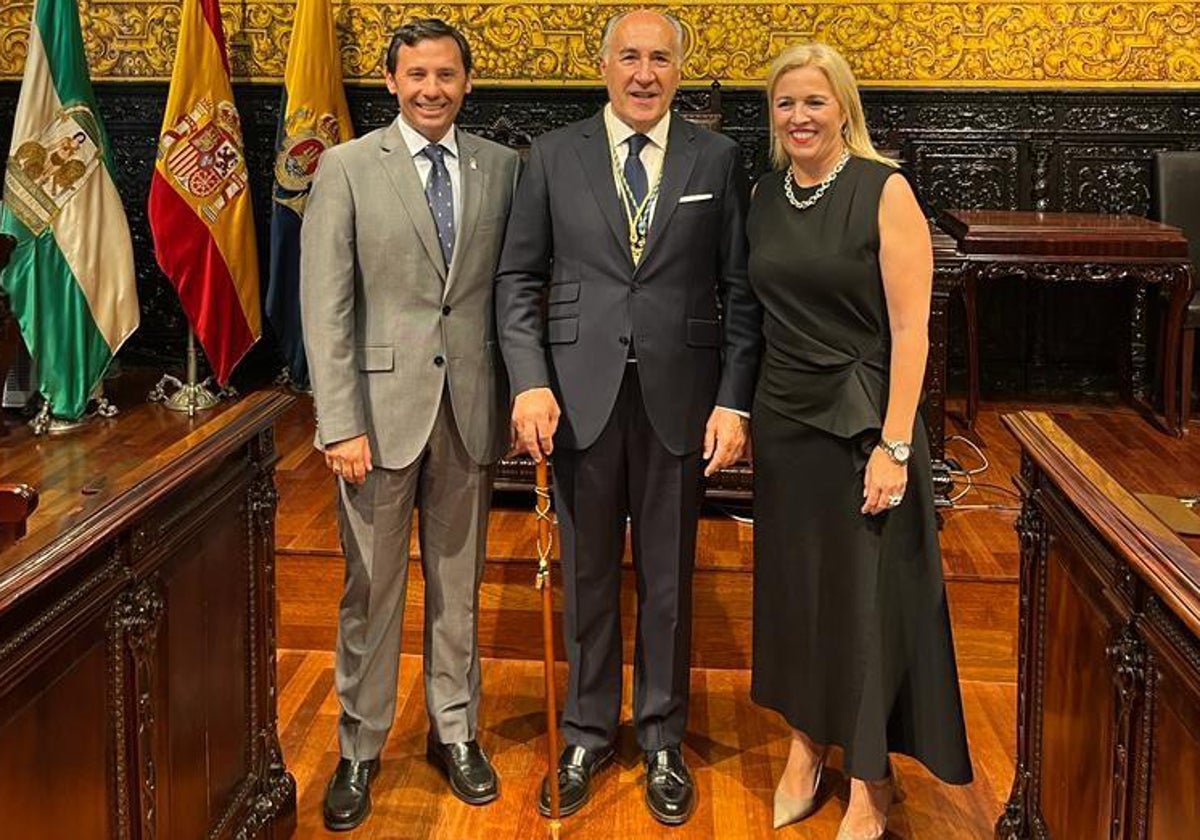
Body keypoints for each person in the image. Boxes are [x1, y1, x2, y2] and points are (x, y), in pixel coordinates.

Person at [495, 8, 761, 826]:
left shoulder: (717, 156)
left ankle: (661, 738)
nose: (644, 74)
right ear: (603, 65)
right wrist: (529, 382)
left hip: (682, 397)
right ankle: (584, 731)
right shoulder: (550, 156)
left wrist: (732, 399)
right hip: (578, 396)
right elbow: (517, 282)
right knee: (586, 575)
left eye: (660, 59)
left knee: (671, 578)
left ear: (680, 69)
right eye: (630, 58)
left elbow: (741, 292)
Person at [746, 42, 973, 839]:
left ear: (843, 107)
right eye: (785, 104)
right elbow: (757, 311)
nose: (799, 117)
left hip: (863, 425)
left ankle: (870, 781)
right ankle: (806, 747)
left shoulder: (886, 190)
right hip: (785, 424)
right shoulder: (766, 194)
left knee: (866, 602)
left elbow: (913, 331)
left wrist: (897, 444)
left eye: (814, 101)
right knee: (798, 594)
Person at [300, 18, 520, 831]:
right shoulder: (348, 168)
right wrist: (338, 422)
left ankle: (454, 732)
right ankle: (360, 746)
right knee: (371, 589)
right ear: (390, 83)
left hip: (469, 412)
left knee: (459, 584)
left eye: (447, 76)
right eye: (417, 76)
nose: (432, 89)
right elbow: (325, 307)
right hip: (375, 422)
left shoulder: (502, 169)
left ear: (467, 83)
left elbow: (509, 294)